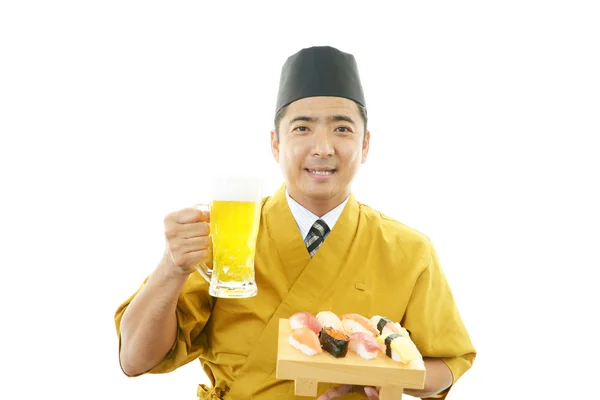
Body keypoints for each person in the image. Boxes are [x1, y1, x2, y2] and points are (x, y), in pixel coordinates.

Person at [114, 45, 476, 400]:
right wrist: (172, 267)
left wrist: (381, 374)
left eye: (342, 129)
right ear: (276, 143)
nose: (322, 147)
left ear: (365, 145)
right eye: (302, 128)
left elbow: (448, 363)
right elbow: (134, 359)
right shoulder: (224, 234)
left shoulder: (409, 250)